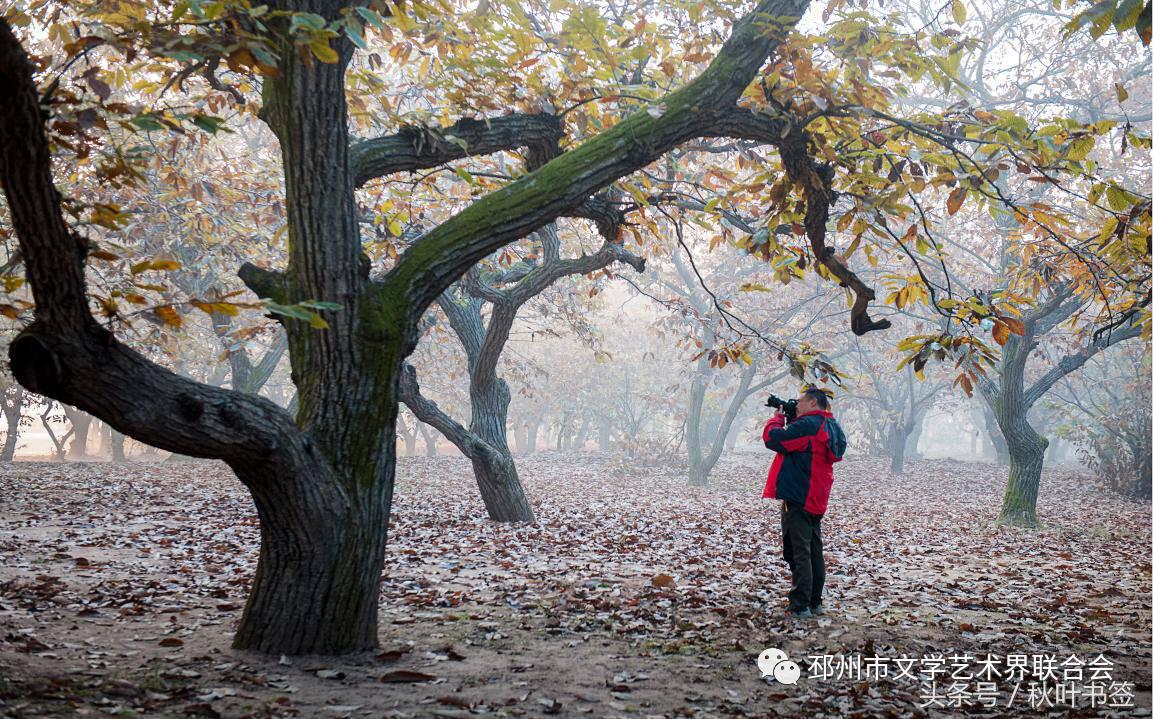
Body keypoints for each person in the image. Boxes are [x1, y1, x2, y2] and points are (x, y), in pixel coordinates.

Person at [762, 387, 847, 619]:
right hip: (816, 494)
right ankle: (814, 601)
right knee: (813, 550)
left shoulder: (809, 425)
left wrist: (777, 419)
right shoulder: (830, 426)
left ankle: (800, 606)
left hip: (800, 494)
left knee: (798, 551)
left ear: (812, 403)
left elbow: (773, 439)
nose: (796, 405)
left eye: (799, 402)